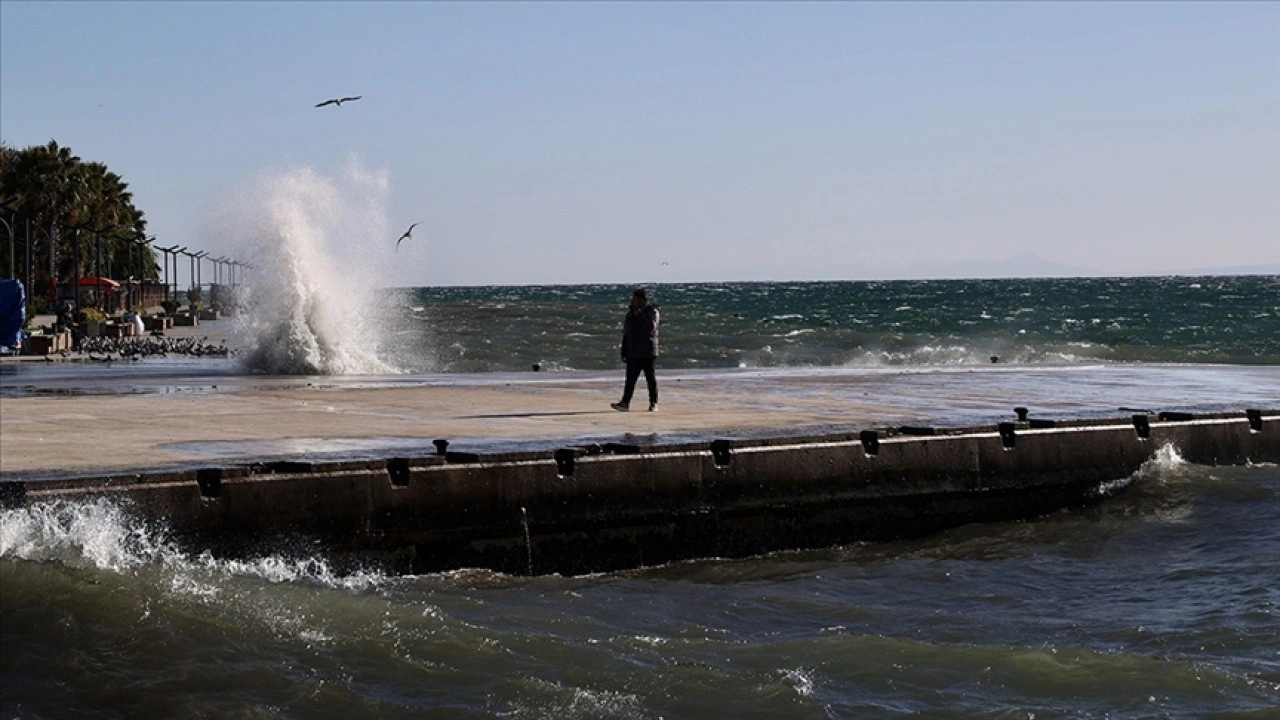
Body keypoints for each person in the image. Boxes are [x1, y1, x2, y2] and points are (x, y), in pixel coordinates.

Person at [611, 288, 660, 412]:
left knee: (650, 378)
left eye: (636, 299)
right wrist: (624, 350)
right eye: (633, 299)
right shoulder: (630, 314)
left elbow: (650, 328)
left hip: (648, 350)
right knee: (630, 380)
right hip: (633, 351)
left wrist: (639, 314)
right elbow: (626, 333)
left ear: (642, 300)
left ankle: (653, 403)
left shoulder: (652, 311)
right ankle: (625, 403)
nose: (633, 301)